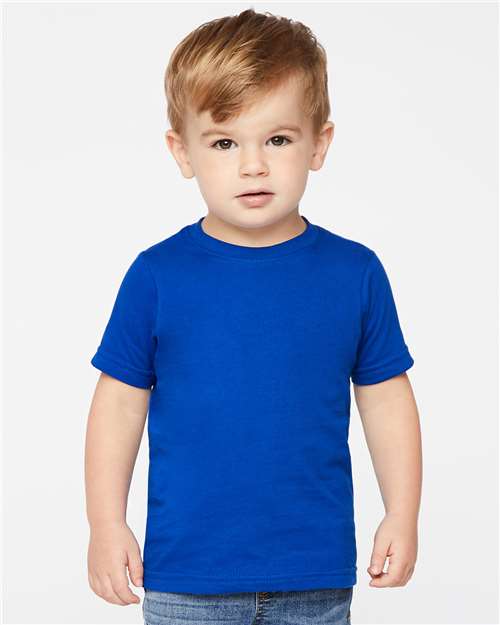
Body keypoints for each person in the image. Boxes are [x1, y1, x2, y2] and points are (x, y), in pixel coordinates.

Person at [85, 8, 421, 625]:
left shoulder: (355, 273)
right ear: (182, 151)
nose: (253, 165)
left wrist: (403, 513)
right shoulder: (157, 276)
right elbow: (119, 405)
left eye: (278, 139)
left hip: (313, 578)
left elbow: (385, 399)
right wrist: (105, 523)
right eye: (224, 142)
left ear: (319, 143)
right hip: (187, 580)